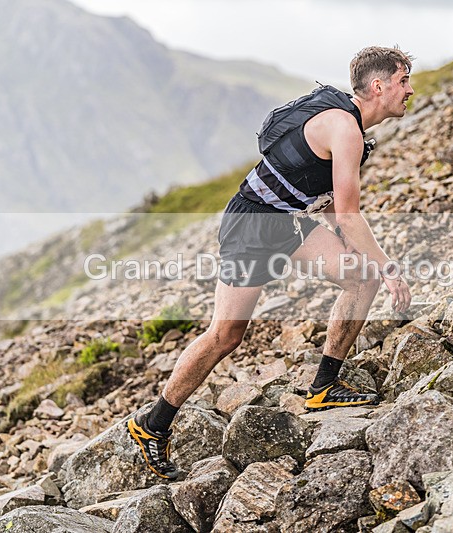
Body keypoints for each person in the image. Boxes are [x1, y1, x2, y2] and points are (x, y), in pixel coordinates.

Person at [128, 46, 414, 479]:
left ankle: (323, 386)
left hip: (286, 222)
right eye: (404, 80)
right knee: (225, 336)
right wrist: (389, 265)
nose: (410, 90)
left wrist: (351, 247)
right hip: (250, 225)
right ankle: (152, 426)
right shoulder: (345, 129)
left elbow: (338, 205)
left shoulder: (349, 125)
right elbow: (352, 213)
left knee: (361, 279)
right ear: (379, 86)